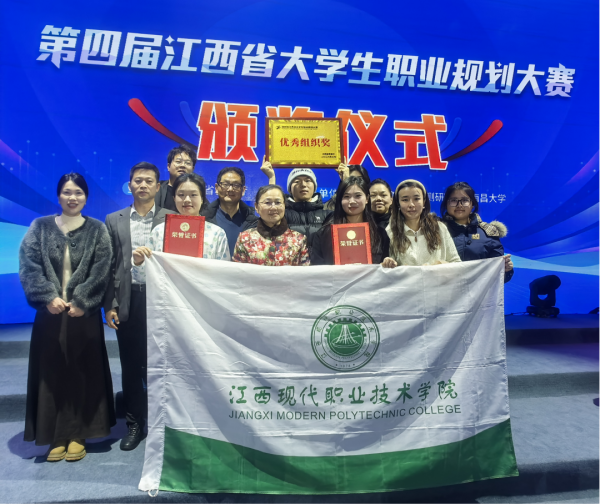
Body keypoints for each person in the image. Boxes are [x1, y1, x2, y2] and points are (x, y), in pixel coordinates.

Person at [19, 173, 115, 462]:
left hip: (83, 315)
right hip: (49, 313)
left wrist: (84, 300)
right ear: (58, 195)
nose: (73, 198)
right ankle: (55, 436)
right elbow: (29, 266)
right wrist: (47, 297)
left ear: (86, 197)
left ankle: (78, 434)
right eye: (67, 192)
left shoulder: (97, 229)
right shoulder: (40, 227)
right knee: (51, 373)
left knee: (83, 372)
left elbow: (102, 269)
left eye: (78, 193)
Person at [104, 162, 175, 451]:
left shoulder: (172, 218)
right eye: (137, 180)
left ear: (158, 187)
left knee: (164, 363)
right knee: (132, 365)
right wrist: (110, 304)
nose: (143, 185)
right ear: (129, 185)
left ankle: (164, 421)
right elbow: (109, 265)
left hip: (164, 300)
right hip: (129, 299)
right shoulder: (114, 219)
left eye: (149, 181)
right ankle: (135, 424)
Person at [133, 172, 230, 266]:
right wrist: (139, 262)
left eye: (193, 195)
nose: (187, 200)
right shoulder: (159, 232)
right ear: (174, 198)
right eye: (181, 195)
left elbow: (223, 272)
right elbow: (146, 272)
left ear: (202, 199)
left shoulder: (217, 234)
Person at [440, 181, 514, 282]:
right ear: (446, 204)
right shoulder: (435, 231)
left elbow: (497, 275)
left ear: (472, 204)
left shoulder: (488, 232)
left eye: (465, 200)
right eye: (453, 200)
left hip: (478, 292)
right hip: (444, 289)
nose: (459, 205)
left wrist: (506, 269)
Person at [311, 176, 389, 265]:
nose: (352, 201)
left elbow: (383, 268)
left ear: (367, 199)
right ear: (340, 200)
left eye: (358, 196)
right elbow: (318, 269)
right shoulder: (323, 234)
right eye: (346, 196)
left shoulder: (380, 234)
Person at [382, 179, 460, 268]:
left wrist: (442, 265)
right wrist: (388, 263)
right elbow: (386, 270)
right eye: (405, 200)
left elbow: (456, 262)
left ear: (424, 202)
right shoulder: (390, 231)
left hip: (438, 277)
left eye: (416, 199)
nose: (411, 204)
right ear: (398, 204)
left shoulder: (439, 228)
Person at [232, 185, 310, 266]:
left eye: (278, 202)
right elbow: (238, 271)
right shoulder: (245, 238)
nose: (273, 207)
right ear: (256, 207)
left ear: (284, 205)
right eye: (267, 203)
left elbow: (304, 272)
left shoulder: (299, 239)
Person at [260, 157, 330, 247]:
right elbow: (269, 221)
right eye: (297, 181)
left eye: (308, 180)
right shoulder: (282, 213)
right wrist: (271, 178)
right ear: (290, 189)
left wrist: (345, 179)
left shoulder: (327, 214)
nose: (303, 185)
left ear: (314, 187)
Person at [201, 166, 259, 256]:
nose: (230, 189)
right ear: (216, 188)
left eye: (236, 185)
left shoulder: (253, 222)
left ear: (243, 190)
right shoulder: (204, 219)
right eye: (225, 184)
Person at [155, 144, 197, 211]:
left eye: (188, 163)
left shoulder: (197, 192)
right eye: (178, 162)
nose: (182, 165)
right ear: (168, 166)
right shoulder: (156, 189)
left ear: (193, 169)